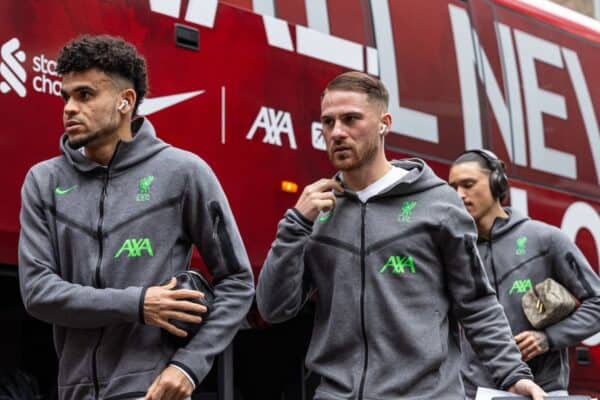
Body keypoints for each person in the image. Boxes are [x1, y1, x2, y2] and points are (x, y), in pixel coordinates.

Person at [256, 71, 546, 399]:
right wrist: (295, 225)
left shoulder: (438, 204)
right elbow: (273, 308)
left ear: (384, 123)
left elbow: (476, 303)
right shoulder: (318, 212)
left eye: (351, 119)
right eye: (328, 122)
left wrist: (512, 374)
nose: (336, 132)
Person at [18, 35, 255, 400]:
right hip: (73, 392)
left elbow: (237, 282)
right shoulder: (43, 181)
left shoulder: (184, 173)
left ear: (125, 102)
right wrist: (139, 304)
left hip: (150, 392)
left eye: (84, 95)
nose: (69, 108)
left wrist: (188, 367)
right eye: (65, 96)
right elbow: (37, 293)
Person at [449, 149, 600, 398]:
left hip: (542, 391)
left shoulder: (545, 239)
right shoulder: (454, 249)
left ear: (497, 183)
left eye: (468, 184)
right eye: (453, 187)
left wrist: (548, 338)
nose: (459, 195)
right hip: (471, 393)